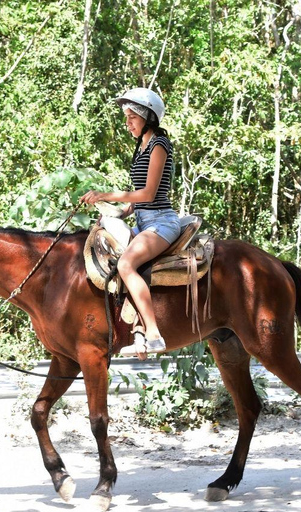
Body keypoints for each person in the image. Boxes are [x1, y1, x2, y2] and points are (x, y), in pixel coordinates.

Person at [81, 87, 180, 356]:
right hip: (144, 221)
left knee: (126, 264)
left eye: (131, 118)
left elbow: (149, 193)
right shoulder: (142, 148)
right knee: (112, 255)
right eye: (126, 118)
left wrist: (105, 193)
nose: (127, 124)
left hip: (161, 223)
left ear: (147, 117)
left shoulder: (159, 144)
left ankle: (154, 334)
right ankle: (133, 330)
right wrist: (116, 212)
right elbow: (136, 200)